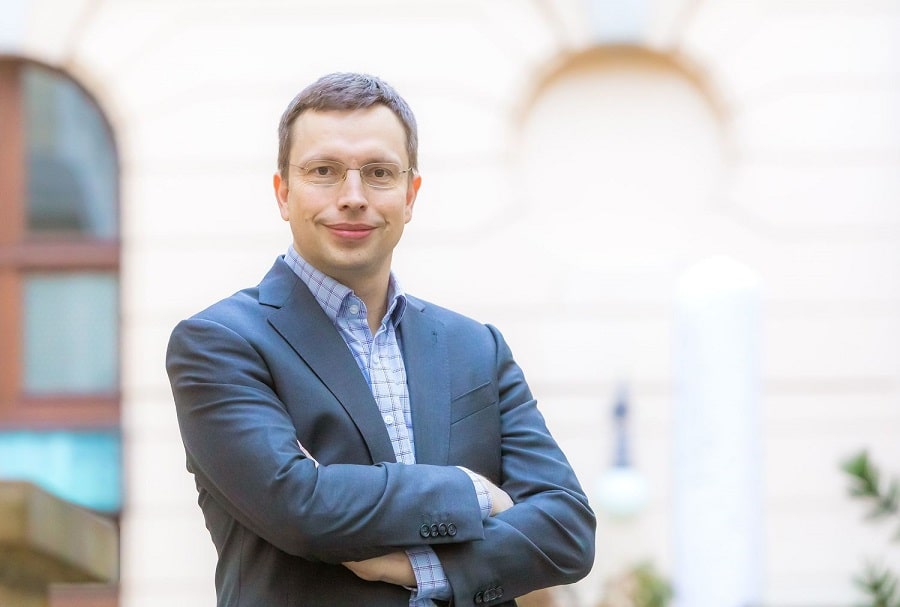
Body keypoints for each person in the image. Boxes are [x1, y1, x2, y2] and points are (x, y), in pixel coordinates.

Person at [166, 72, 595, 607]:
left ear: (411, 195)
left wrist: (423, 569)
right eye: (324, 171)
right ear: (283, 191)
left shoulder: (476, 349)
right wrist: (470, 491)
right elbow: (300, 507)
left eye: (379, 173)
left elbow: (568, 530)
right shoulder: (220, 342)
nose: (352, 197)